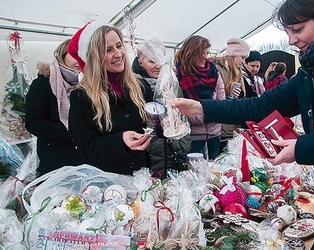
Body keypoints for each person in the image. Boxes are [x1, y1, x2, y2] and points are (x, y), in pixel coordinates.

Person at [172, 0, 314, 248]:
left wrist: (302, 149)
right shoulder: (313, 68)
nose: (291, 40)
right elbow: (259, 106)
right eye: (288, 32)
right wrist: (203, 107)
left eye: (298, 29)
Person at [67, 21, 151, 174]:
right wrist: (121, 141)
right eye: (108, 50)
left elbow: (151, 123)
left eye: (119, 46)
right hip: (107, 183)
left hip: (141, 176)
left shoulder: (139, 86)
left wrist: (165, 122)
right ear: (94, 58)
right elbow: (86, 147)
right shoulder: (82, 96)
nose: (118, 54)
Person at [132, 38, 191, 177]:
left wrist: (182, 145)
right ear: (140, 62)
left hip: (172, 151)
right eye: (152, 61)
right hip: (148, 153)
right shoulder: (134, 86)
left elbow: (182, 116)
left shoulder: (171, 83)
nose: (158, 65)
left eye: (160, 60)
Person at [25, 39, 83, 176]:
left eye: (83, 56)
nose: (79, 60)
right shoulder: (43, 84)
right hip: (55, 161)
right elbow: (34, 123)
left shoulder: (88, 84)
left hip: (85, 159)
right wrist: (73, 132)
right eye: (74, 55)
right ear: (62, 56)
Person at [174, 35, 225, 160]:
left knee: (214, 174)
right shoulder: (177, 75)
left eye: (207, 52)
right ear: (191, 53)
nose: (206, 57)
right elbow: (176, 109)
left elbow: (222, 103)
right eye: (201, 53)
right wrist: (207, 115)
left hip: (214, 135)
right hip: (193, 137)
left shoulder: (214, 73)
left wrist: (212, 114)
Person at [214, 38, 250, 153]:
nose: (243, 62)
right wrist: (228, 92)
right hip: (221, 128)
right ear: (233, 54)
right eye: (242, 57)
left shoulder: (238, 72)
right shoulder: (219, 70)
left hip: (232, 128)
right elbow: (217, 97)